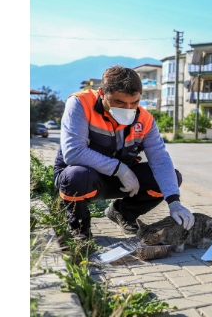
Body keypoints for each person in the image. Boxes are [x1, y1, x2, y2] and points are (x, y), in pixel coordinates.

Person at [53, 65, 194, 240]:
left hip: (121, 180)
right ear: (102, 93)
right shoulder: (80, 104)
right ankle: (79, 227)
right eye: (119, 102)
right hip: (86, 177)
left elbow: (160, 159)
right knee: (75, 177)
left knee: (171, 177)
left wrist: (174, 202)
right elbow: (74, 152)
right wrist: (121, 169)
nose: (128, 108)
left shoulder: (145, 119)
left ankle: (123, 213)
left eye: (134, 103)